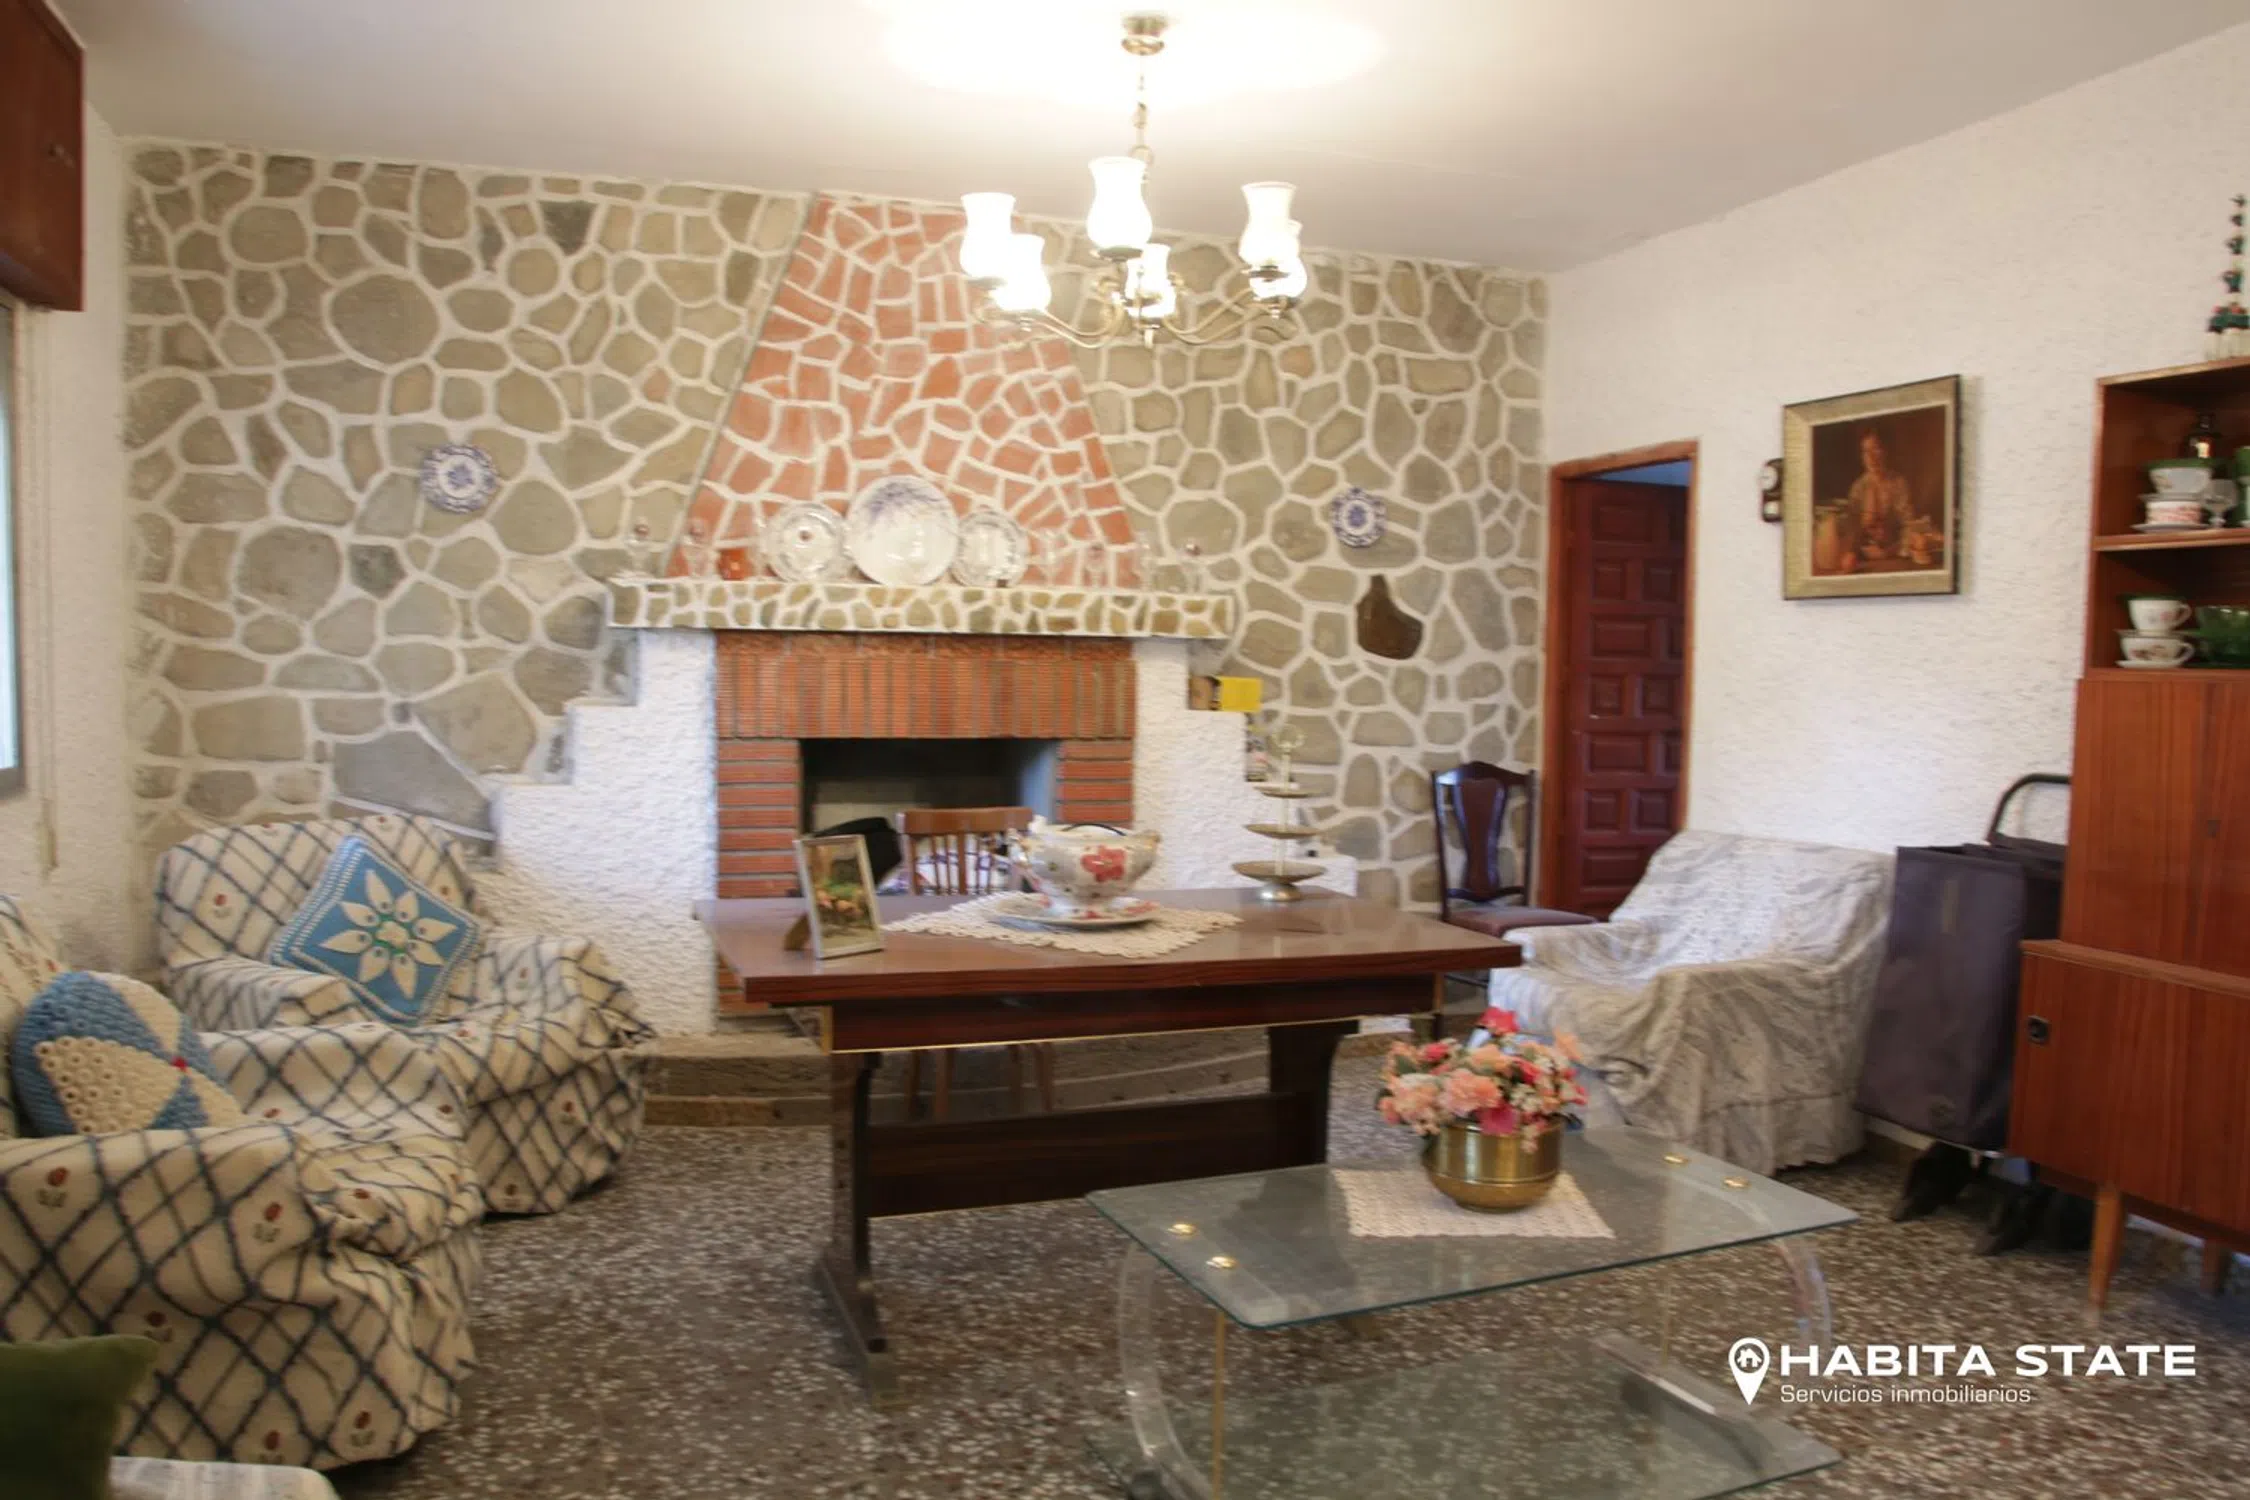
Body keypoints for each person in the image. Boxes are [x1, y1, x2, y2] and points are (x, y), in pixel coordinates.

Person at [1847, 427, 1914, 561]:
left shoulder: (1898, 483)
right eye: (1866, 451)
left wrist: (1894, 551)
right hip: (1863, 557)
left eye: (1876, 449)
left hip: (1895, 556)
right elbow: (1852, 528)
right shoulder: (1858, 487)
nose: (1871, 457)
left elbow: (1909, 523)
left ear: (1885, 451)